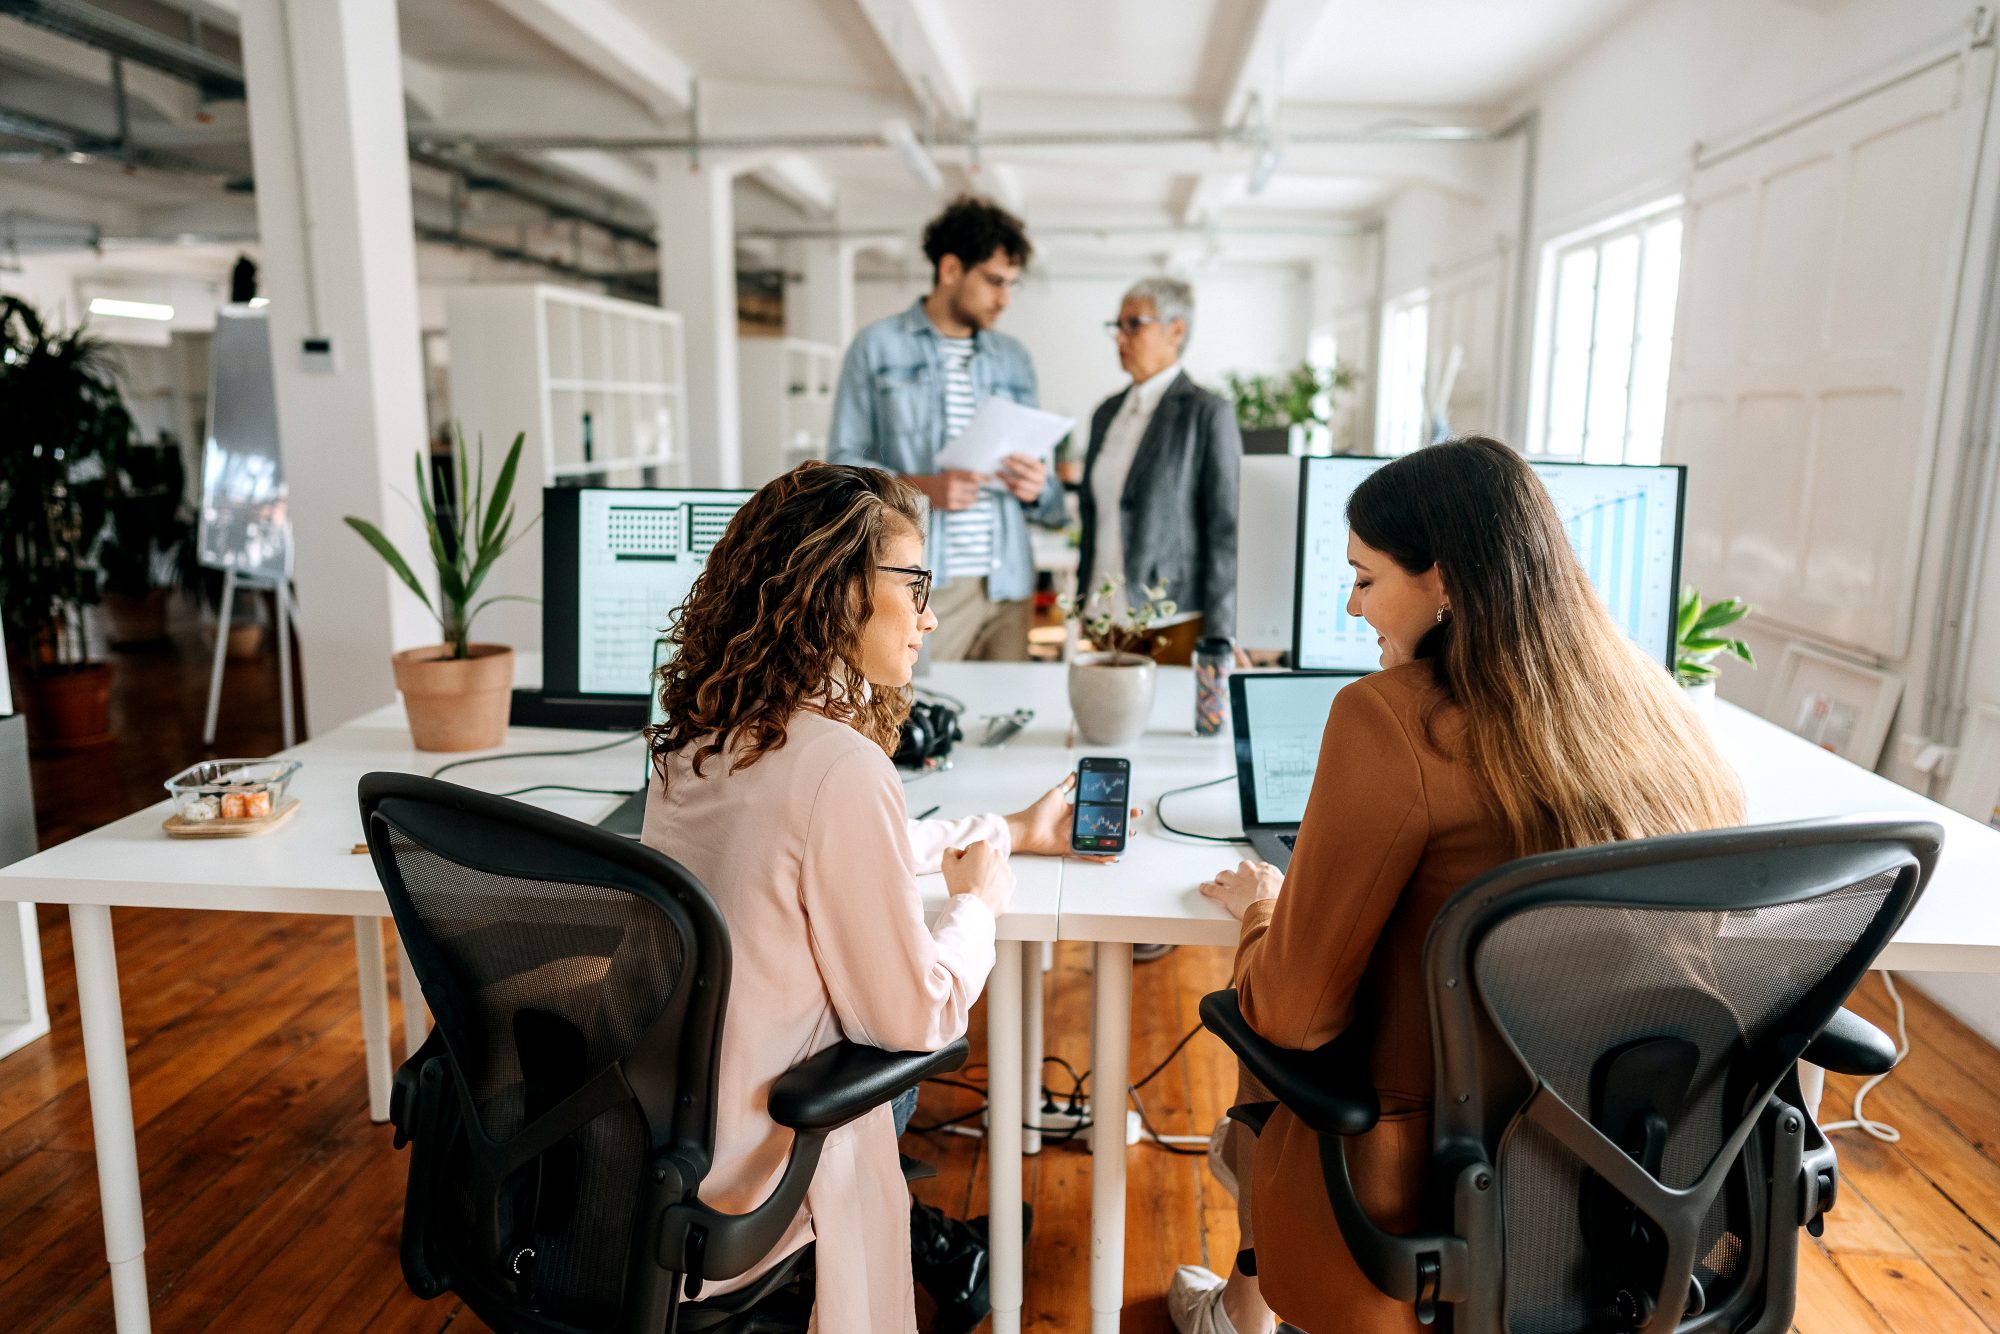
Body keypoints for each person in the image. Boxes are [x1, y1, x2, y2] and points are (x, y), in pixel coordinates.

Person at [1167, 437, 1745, 1334]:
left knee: (1267, 1058)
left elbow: (1294, 1015)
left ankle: (1235, 1315)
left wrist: (1261, 911)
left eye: (1364, 579)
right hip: (1638, 1190)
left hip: (1429, 1200)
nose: (1352, 607)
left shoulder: (1387, 719)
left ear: (1440, 581)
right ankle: (1235, 1308)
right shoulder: (1659, 715)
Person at [642, 462, 1102, 1334]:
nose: (929, 614)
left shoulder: (703, 737)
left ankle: (938, 1243)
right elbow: (914, 1021)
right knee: (891, 1073)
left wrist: (1000, 827)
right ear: (839, 590)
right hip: (759, 1155)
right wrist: (980, 906)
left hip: (670, 1139)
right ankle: (942, 1253)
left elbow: (824, 848)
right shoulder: (839, 766)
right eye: (915, 584)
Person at [828, 195, 1066, 661]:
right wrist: (923, 488)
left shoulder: (1014, 358)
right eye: (995, 281)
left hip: (1009, 583)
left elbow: (1049, 493)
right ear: (951, 269)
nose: (1005, 299)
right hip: (926, 585)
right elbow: (840, 470)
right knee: (923, 722)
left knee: (1004, 719)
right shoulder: (877, 347)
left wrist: (1037, 486)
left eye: (1011, 284)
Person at [1078, 276, 1241, 651]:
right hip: (1105, 614)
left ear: (1176, 330)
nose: (1120, 336)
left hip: (1175, 617)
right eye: (1117, 326)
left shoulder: (1207, 413)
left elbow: (1225, 531)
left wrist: (1220, 632)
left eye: (1134, 324)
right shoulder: (1106, 413)